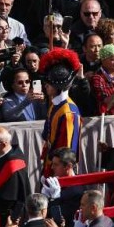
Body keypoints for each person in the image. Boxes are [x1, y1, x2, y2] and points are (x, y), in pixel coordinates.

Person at [38, 49, 82, 177]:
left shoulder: (68, 113)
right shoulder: (55, 105)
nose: (46, 86)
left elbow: (66, 152)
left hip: (60, 171)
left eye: (49, 84)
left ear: (59, 87)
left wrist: (54, 174)